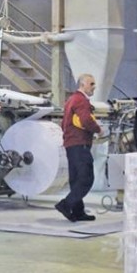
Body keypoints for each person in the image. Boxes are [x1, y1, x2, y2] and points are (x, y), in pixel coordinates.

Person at [55, 74, 102, 222]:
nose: (94, 87)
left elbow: (64, 123)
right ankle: (66, 204)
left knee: (76, 179)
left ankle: (78, 212)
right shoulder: (81, 100)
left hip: (71, 144)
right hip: (79, 144)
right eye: (91, 84)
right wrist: (98, 130)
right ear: (82, 84)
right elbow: (86, 120)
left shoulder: (71, 100)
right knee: (86, 178)